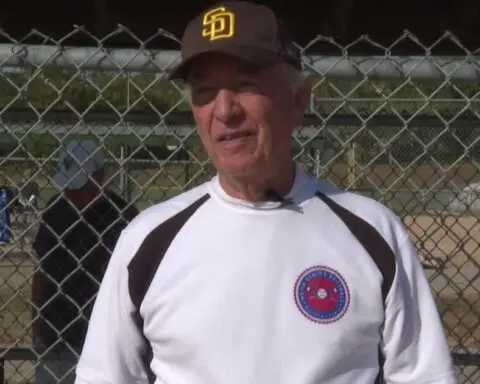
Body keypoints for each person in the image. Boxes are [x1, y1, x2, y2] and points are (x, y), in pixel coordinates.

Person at [75, 2, 457, 384]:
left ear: (297, 101)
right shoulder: (147, 239)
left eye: (246, 85)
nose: (224, 110)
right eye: (205, 91)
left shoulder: (373, 232)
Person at [32, 139, 139, 384]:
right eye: (68, 185)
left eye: (79, 185)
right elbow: (41, 272)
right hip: (55, 337)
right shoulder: (55, 211)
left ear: (99, 176)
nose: (71, 191)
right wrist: (36, 326)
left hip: (104, 338)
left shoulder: (123, 217)